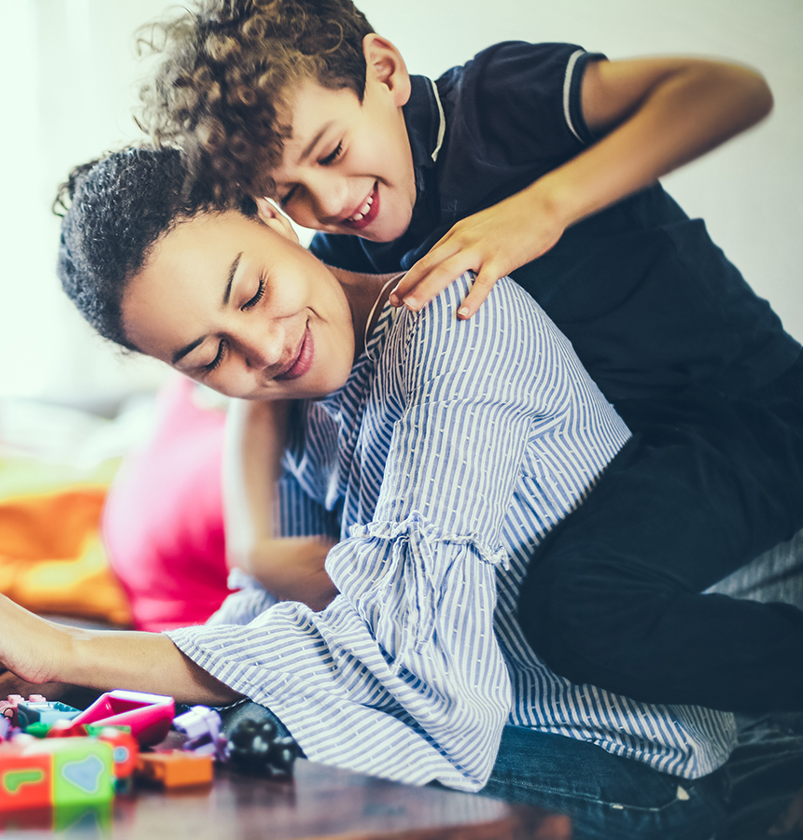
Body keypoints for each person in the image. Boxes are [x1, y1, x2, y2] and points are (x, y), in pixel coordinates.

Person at [0, 147, 738, 839]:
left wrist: (70, 649)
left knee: (222, 790)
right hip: (489, 731)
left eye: (252, 290)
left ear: (273, 215)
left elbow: (408, 669)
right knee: (127, 755)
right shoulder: (305, 394)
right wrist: (64, 673)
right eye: (208, 355)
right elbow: (256, 624)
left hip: (629, 765)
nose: (264, 347)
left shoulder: (455, 329)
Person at [139, 0, 803, 713]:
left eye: (331, 152)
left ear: (385, 73)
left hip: (746, 413)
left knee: (577, 604)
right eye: (289, 192)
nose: (330, 199)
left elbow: (732, 92)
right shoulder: (339, 254)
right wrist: (254, 545)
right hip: (632, 459)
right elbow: (271, 390)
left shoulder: (496, 103)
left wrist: (542, 209)